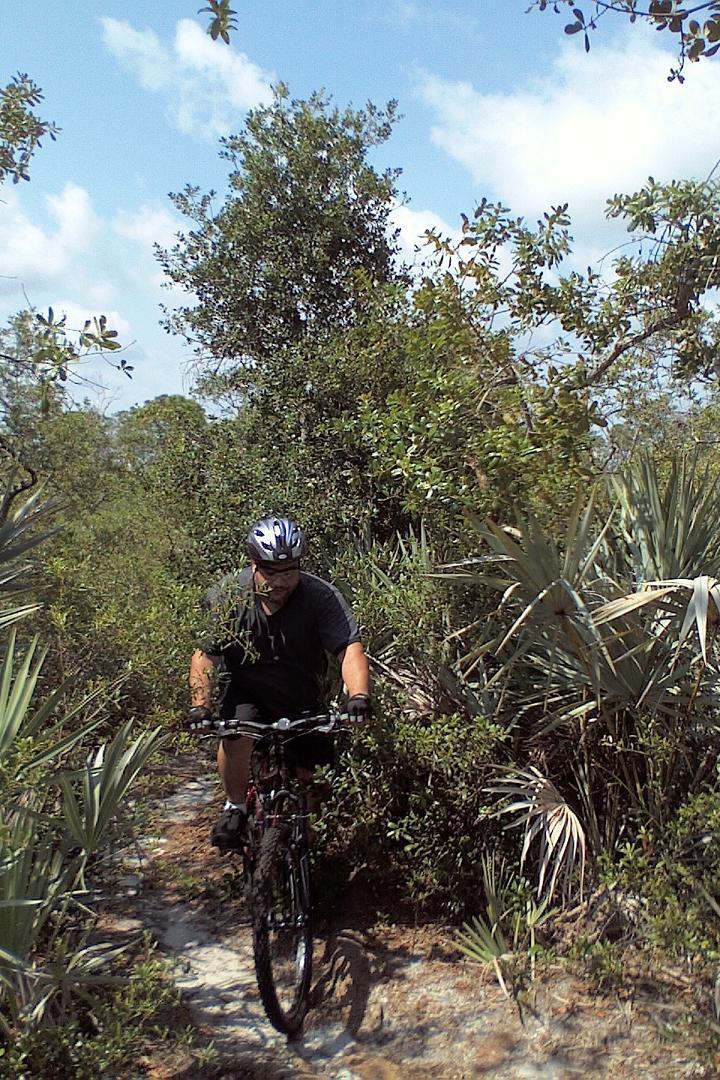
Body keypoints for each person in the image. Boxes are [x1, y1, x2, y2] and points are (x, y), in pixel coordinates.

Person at [187, 515, 372, 852]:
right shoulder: (229, 595)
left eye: (289, 572)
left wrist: (358, 696)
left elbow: (348, 649)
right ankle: (236, 806)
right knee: (237, 734)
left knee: (311, 779)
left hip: (302, 694)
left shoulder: (320, 597)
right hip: (248, 691)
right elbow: (206, 655)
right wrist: (201, 706)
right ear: (254, 564)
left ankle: (303, 851)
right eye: (271, 573)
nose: (280, 582)